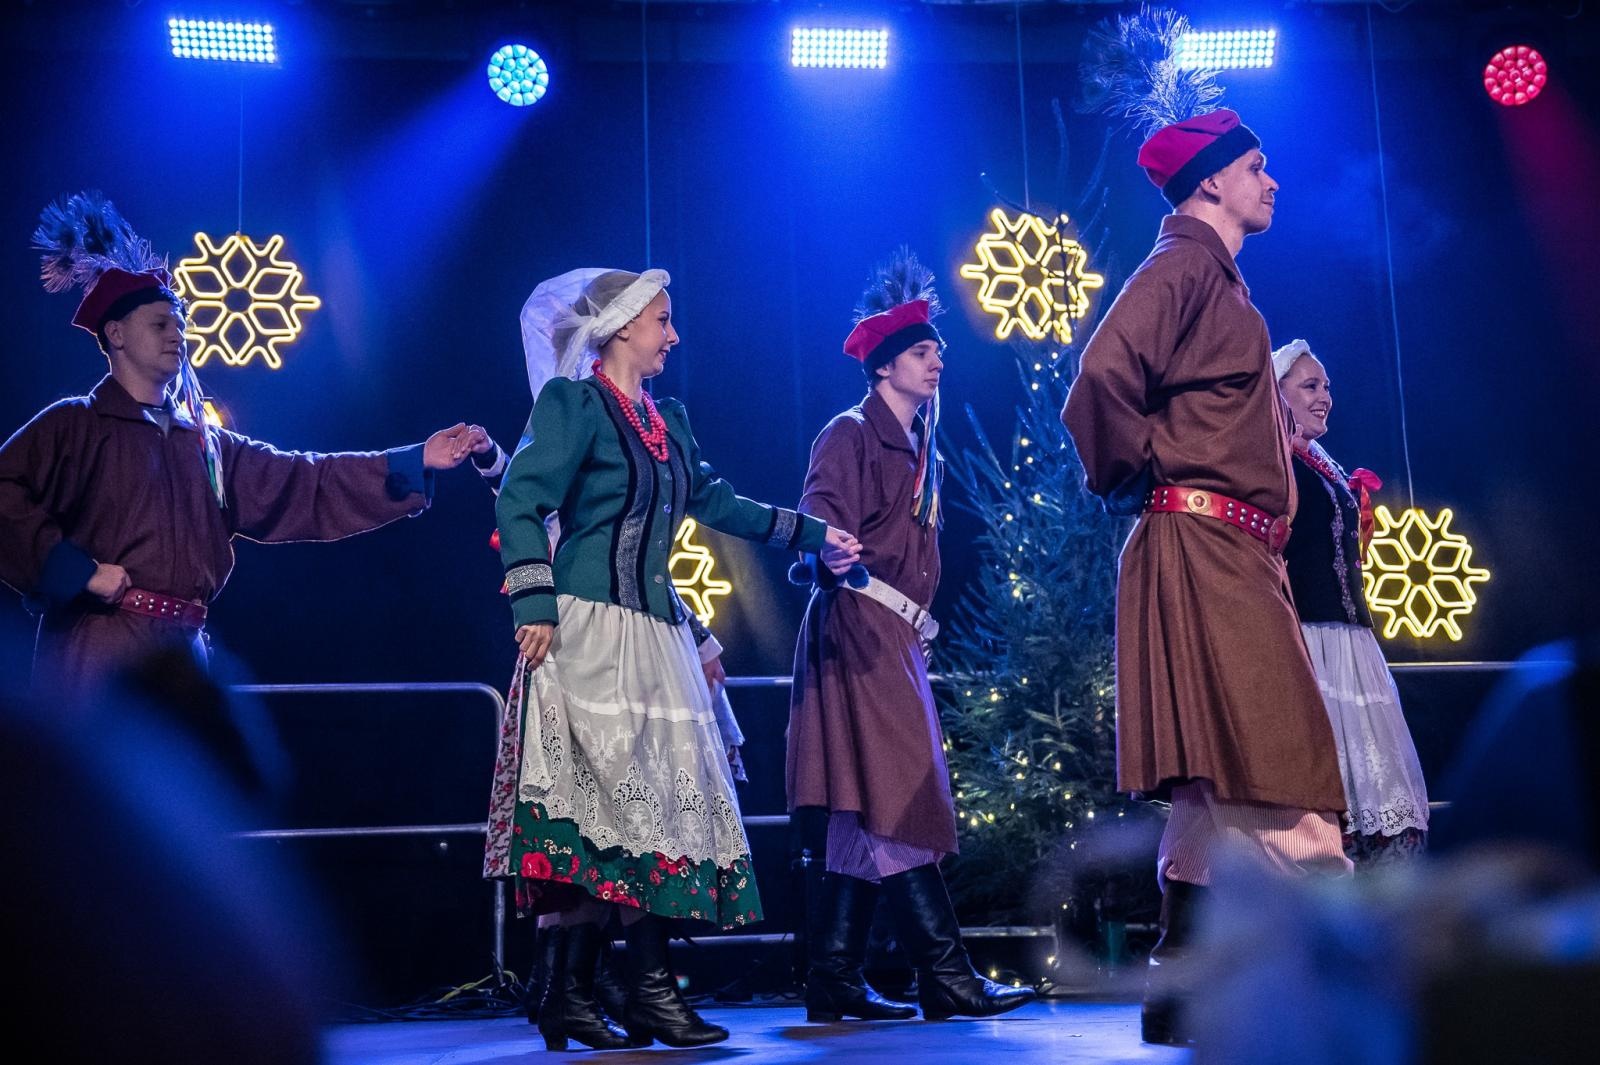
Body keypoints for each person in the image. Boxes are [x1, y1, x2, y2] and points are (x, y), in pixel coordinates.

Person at [486, 266, 860, 1050]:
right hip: (587, 631)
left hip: (655, 635)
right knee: (602, 814)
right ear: (623, 327)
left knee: (652, 809)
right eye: (663, 319)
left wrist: (811, 531)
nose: (674, 333)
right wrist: (533, 603)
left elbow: (716, 500)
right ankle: (600, 995)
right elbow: (520, 497)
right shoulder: (575, 405)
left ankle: (619, 993)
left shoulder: (667, 420)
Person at [1066, 21, 1352, 1042]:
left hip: (1219, 550)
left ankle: (1176, 987)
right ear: (1212, 183)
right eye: (1257, 168)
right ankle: (1352, 981)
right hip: (1207, 551)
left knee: (1212, 785)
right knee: (1281, 767)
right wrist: (1149, 467)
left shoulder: (1213, 277)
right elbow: (1101, 377)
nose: (1271, 182)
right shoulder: (1183, 266)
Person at [0, 193, 486, 695]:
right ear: (117, 334)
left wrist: (413, 461)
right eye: (161, 324)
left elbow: (306, 481)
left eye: (181, 325)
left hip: (184, 656)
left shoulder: (206, 444)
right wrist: (78, 573)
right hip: (102, 654)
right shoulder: (76, 425)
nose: (178, 336)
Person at [787, 250, 1035, 1023]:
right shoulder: (850, 432)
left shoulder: (918, 443)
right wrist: (826, 546)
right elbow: (818, 518)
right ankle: (946, 973)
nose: (938, 363)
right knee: (901, 795)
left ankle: (832, 977)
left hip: (892, 634)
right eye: (925, 352)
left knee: (865, 808)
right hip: (859, 628)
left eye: (937, 352)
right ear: (889, 362)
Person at [1274, 340, 1430, 866]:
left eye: (1327, 387)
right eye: (1310, 386)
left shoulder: (1319, 461)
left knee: (1380, 778)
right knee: (1326, 781)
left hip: (1352, 639)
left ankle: (1383, 902)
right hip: (1309, 640)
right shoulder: (1270, 461)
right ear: (1277, 394)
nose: (1325, 397)